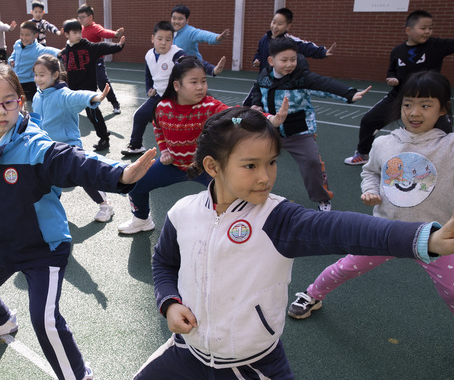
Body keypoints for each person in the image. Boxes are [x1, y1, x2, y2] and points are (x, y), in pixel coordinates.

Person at [107, 106, 454, 380]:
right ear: (213, 166)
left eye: (271, 162)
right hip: (187, 350)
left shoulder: (278, 219)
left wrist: (425, 239)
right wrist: (169, 302)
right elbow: (164, 263)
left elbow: (345, 228)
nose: (266, 176)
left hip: (253, 369)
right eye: (250, 165)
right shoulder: (184, 212)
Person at [0, 62, 156, 380]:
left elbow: (74, 161)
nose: (0, 110)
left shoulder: (35, 145)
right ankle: (2, 320)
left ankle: (80, 379)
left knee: (45, 320)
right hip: (3, 244)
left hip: (43, 249)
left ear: (22, 101)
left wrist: (121, 176)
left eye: (8, 101)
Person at [288, 72, 454, 378]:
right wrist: (371, 189)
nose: (414, 112)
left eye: (426, 105)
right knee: (346, 267)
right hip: (386, 231)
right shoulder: (383, 143)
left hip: (437, 237)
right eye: (408, 104)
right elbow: (371, 172)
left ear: (442, 109)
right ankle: (312, 294)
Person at [117, 56, 286, 234]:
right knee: (136, 182)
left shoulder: (210, 106)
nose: (200, 87)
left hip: (205, 166)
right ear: (177, 85)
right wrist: (164, 150)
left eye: (203, 81)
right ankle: (141, 220)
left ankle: (240, 228)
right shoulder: (162, 107)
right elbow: (158, 128)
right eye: (194, 82)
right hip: (174, 165)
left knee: (232, 195)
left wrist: (270, 119)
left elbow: (236, 115)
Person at [248, 37, 371, 211]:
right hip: (270, 130)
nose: (290, 64)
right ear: (271, 60)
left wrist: (349, 93)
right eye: (284, 60)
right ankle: (251, 193)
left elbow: (324, 84)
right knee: (251, 159)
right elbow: (257, 91)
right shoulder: (264, 76)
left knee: (312, 162)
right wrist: (257, 104)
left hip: (299, 132)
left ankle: (322, 198)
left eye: (293, 59)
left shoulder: (301, 77)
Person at [344, 10, 454, 165]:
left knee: (444, 133)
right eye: (423, 28)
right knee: (369, 120)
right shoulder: (397, 51)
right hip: (400, 96)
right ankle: (363, 154)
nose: (428, 31)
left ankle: (450, 166)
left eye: (430, 28)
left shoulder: (437, 46)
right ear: (408, 30)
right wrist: (392, 78)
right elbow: (392, 70)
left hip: (429, 99)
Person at [31, 54, 115, 222]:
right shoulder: (37, 96)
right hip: (48, 149)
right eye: (35, 74)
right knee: (46, 180)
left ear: (55, 75)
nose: (38, 79)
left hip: (69, 148)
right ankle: (49, 210)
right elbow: (36, 119)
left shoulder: (63, 95)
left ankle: (105, 204)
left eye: (42, 74)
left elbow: (78, 96)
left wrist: (95, 97)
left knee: (84, 177)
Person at [123, 20, 225, 156]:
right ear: (152, 38)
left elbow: (192, 62)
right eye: (160, 39)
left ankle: (215, 147)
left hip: (178, 96)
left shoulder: (177, 54)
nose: (164, 42)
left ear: (173, 40)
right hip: (159, 96)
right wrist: (149, 89)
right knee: (140, 116)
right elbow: (148, 75)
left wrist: (213, 69)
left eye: (168, 39)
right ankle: (136, 146)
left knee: (210, 112)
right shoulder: (148, 55)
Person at [242, 7, 335, 107]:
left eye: (280, 24)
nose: (275, 26)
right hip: (263, 80)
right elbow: (259, 52)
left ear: (288, 26)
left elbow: (305, 46)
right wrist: (257, 60)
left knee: (270, 108)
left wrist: (322, 52)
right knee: (247, 105)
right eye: (274, 22)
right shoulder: (264, 39)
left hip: (279, 83)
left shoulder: (289, 42)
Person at [58, 19, 124, 151]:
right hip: (71, 91)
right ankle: (66, 141)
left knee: (93, 114)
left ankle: (104, 138)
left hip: (88, 90)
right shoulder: (63, 54)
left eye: (79, 32)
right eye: (74, 32)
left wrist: (119, 46)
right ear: (66, 34)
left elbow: (102, 46)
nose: (78, 35)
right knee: (66, 114)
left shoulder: (89, 47)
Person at [76, 3, 123, 114]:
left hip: (97, 61)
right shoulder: (80, 29)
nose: (80, 19)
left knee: (102, 82)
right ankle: (86, 104)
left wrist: (116, 34)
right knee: (83, 84)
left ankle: (115, 103)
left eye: (83, 17)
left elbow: (104, 33)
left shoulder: (95, 28)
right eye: (79, 17)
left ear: (91, 17)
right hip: (84, 63)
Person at [8, 21, 60, 102]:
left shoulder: (37, 49)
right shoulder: (17, 44)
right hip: (16, 79)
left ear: (35, 36)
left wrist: (60, 53)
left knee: (30, 104)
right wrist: (11, 60)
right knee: (17, 103)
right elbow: (14, 54)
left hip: (29, 82)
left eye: (27, 35)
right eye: (22, 34)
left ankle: (32, 114)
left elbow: (49, 50)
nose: (24, 38)